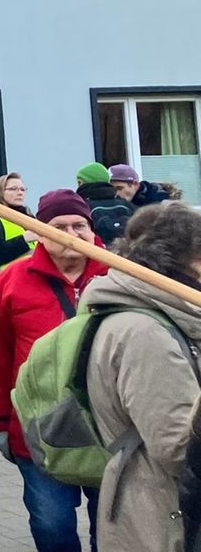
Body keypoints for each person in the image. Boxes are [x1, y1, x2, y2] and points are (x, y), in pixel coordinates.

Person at [0, 189, 106, 552]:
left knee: (113, 528)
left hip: (111, 428)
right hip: (40, 429)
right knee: (52, 525)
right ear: (39, 231)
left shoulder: (119, 275)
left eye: (79, 225)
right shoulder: (13, 279)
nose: (71, 233)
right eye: (59, 225)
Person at [80, 202, 201, 550]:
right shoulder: (144, 333)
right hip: (160, 516)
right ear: (181, 263)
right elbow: (179, 448)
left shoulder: (162, 318)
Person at [76, 162, 134, 246]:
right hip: (127, 254)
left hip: (98, 255)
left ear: (80, 183)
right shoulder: (126, 205)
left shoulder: (81, 207)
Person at [108, 162, 173, 208]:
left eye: (119, 188)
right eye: (112, 189)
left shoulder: (159, 201)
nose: (116, 194)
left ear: (135, 185)